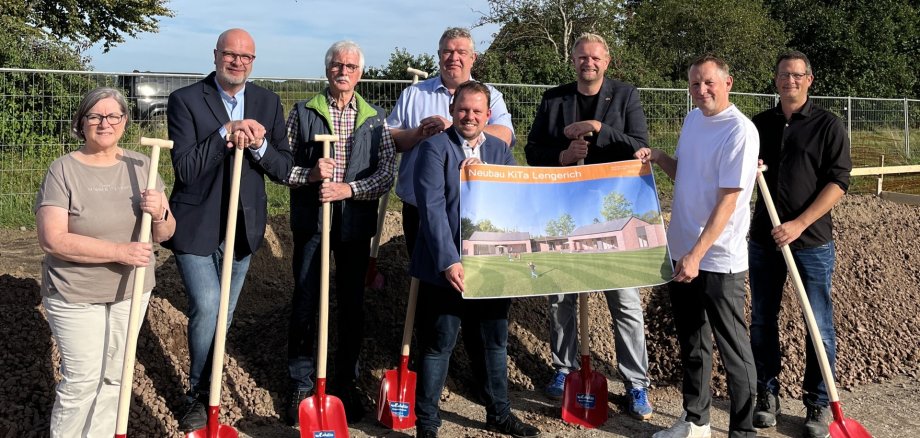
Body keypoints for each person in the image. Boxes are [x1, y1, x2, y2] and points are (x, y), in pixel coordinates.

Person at [164, 28, 293, 431]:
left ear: (253, 62)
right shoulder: (185, 100)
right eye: (230, 54)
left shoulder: (268, 102)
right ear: (216, 55)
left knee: (225, 313)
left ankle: (210, 385)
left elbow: (283, 168)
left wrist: (257, 146)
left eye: (246, 57)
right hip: (195, 225)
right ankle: (197, 397)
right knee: (207, 305)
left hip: (243, 226)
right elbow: (185, 168)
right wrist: (225, 133)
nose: (237, 62)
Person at [523, 32, 654, 419]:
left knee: (624, 299)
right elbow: (532, 151)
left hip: (612, 209)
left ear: (606, 61)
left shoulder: (625, 95)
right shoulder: (554, 99)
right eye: (582, 57)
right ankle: (563, 369)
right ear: (574, 60)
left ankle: (635, 383)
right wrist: (563, 155)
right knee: (560, 295)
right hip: (563, 210)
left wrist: (599, 128)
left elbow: (639, 144)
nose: (588, 63)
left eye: (595, 58)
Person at [35, 87, 176, 437]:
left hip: (132, 291)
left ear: (125, 122)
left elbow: (165, 233)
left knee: (116, 376)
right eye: (95, 116)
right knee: (81, 381)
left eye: (113, 116)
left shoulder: (142, 165)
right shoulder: (63, 170)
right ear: (81, 123)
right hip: (75, 294)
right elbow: (52, 238)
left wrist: (160, 212)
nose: (104, 123)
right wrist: (119, 252)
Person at [638, 55, 759, 438]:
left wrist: (697, 253)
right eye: (694, 84)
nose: (701, 90)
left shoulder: (740, 131)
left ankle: (743, 430)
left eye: (708, 83)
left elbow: (728, 200)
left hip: (718, 258)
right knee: (692, 342)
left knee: (732, 347)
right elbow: (686, 175)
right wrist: (659, 158)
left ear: (728, 83)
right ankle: (696, 421)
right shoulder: (692, 120)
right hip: (681, 252)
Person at [411, 81, 540, 438]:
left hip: (492, 266)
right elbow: (432, 209)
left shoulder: (499, 151)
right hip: (447, 268)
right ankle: (428, 423)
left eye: (477, 111)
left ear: (487, 115)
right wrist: (449, 261)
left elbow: (517, 202)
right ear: (453, 110)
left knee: (495, 343)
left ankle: (499, 414)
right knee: (439, 345)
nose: (469, 116)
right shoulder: (434, 149)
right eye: (463, 109)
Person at [282, 40, 396, 425]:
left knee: (351, 305)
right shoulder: (303, 112)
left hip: (353, 226)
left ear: (360, 73)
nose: (343, 70)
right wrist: (311, 175)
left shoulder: (375, 118)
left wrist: (349, 189)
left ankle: (346, 383)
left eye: (350, 65)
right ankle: (301, 381)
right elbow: (284, 167)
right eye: (336, 64)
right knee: (306, 299)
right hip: (313, 222)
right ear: (327, 68)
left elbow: (384, 175)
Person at [748, 51, 852, 438]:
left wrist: (798, 224)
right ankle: (767, 395)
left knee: (819, 325)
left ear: (810, 79)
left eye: (796, 74)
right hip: (764, 240)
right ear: (775, 81)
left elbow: (838, 182)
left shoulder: (828, 126)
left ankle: (818, 403)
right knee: (762, 321)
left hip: (811, 242)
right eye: (782, 75)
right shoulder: (758, 125)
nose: (789, 80)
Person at [388, 26, 515, 257]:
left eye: (461, 52)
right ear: (439, 56)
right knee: (425, 279)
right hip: (421, 206)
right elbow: (390, 140)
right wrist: (418, 133)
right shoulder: (414, 94)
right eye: (447, 52)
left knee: (473, 276)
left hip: (476, 207)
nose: (454, 58)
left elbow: (505, 135)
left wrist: (455, 126)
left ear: (473, 58)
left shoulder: (490, 96)